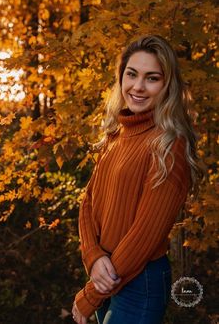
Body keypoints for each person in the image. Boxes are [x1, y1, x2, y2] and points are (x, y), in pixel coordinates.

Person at [72, 34, 200, 324]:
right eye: (131, 74)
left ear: (167, 86)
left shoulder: (170, 145)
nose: (138, 87)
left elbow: (145, 236)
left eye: (152, 78)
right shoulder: (118, 133)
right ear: (121, 77)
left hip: (139, 283)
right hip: (105, 275)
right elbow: (89, 203)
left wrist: (92, 293)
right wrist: (93, 257)